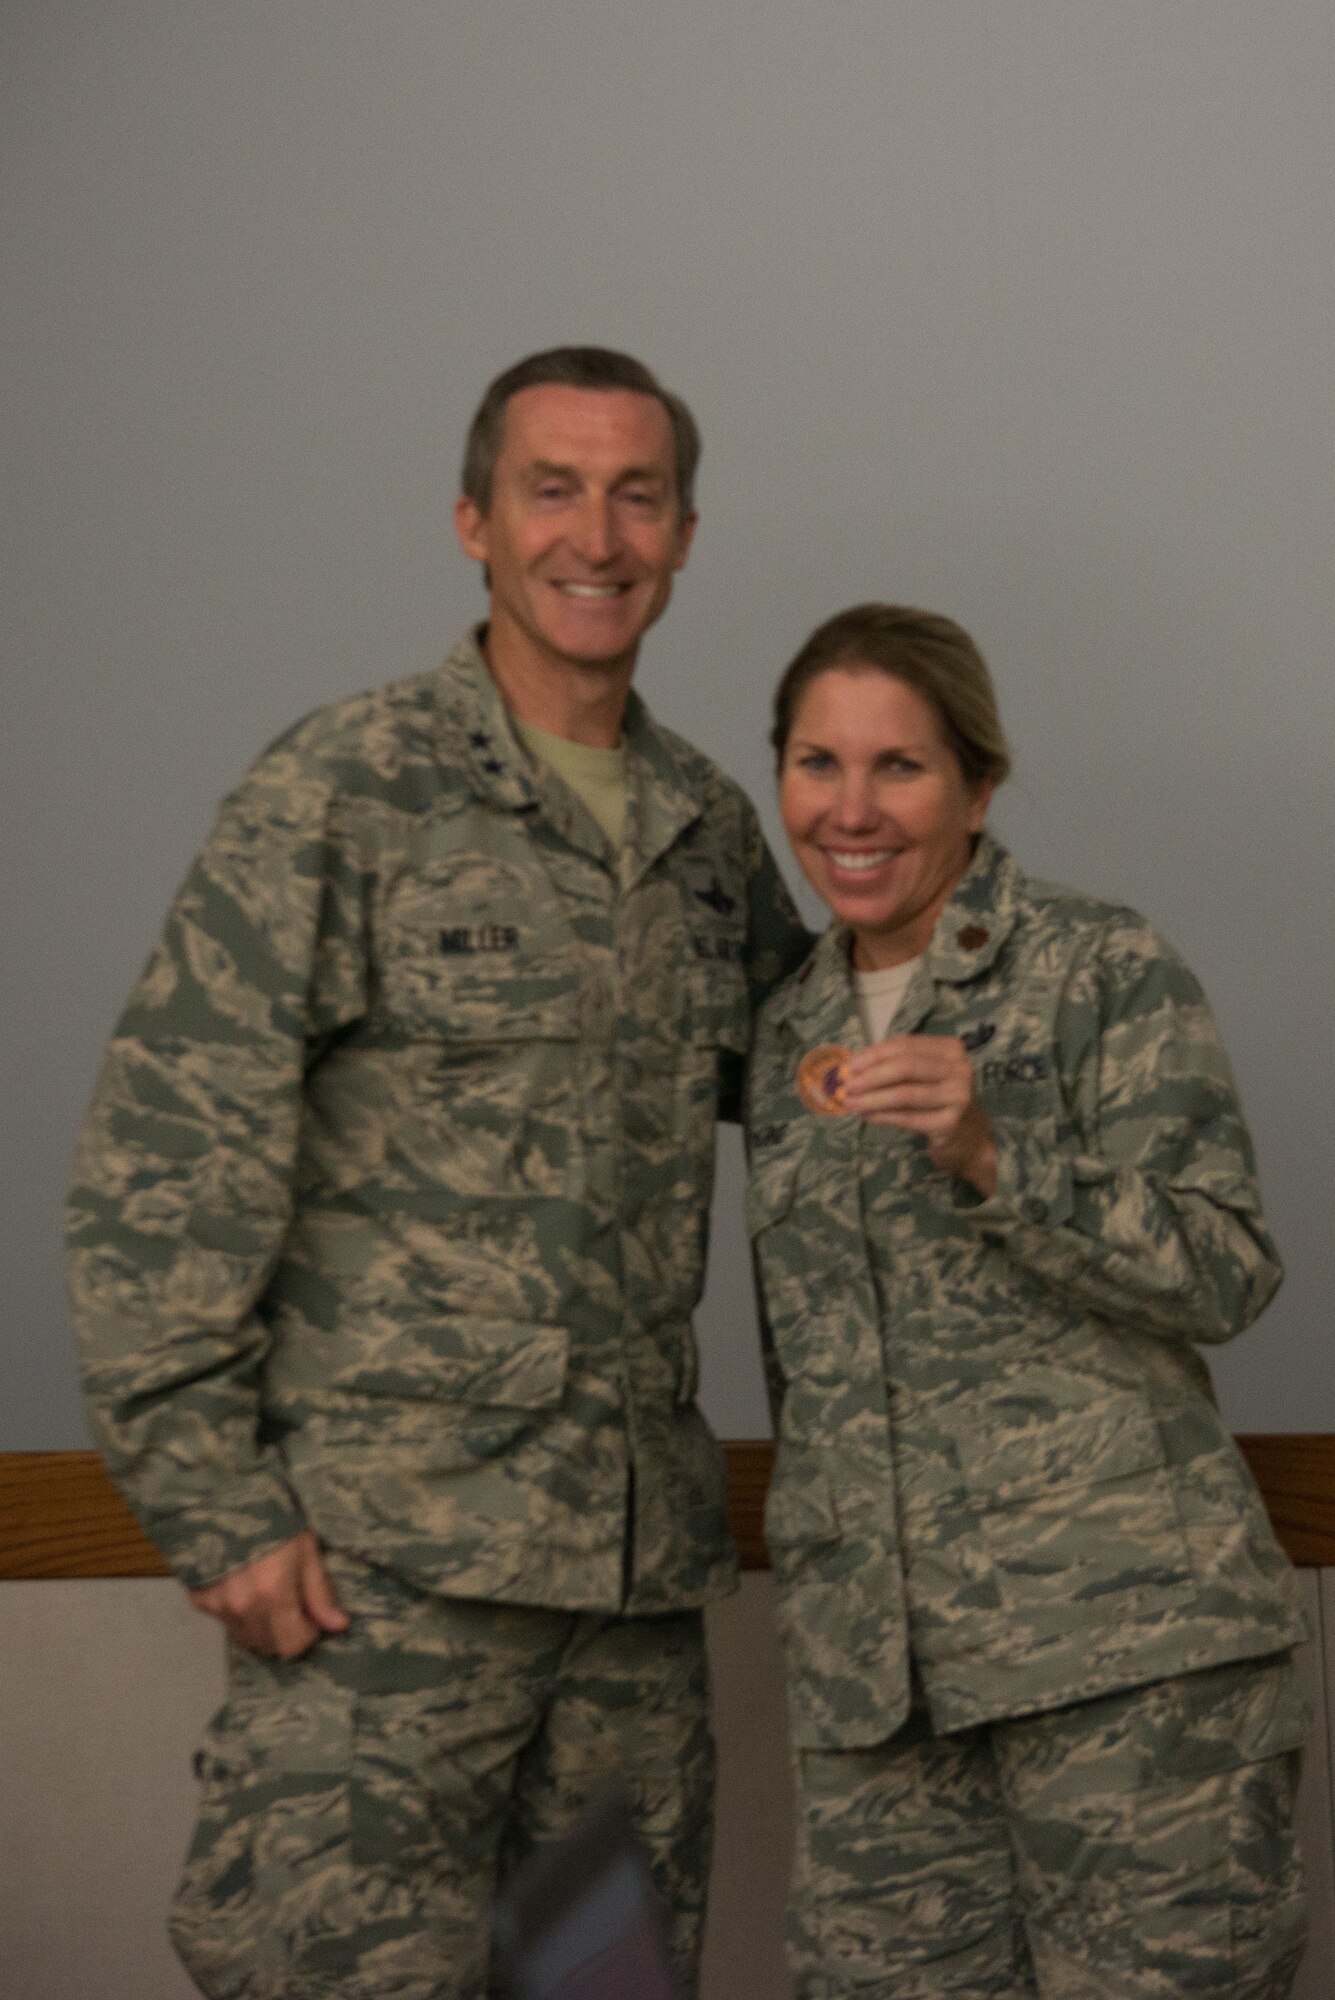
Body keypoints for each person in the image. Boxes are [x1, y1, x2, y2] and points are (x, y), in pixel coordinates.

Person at [66, 345, 809, 2000]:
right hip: (385, 1589)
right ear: (473, 519)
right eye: (554, 489)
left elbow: (823, 1087)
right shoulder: (342, 792)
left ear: (686, 534)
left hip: (629, 1604)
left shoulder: (705, 828)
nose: (597, 536)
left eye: (639, 496)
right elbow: (160, 1159)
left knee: (604, 1990)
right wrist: (217, 1515)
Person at [745, 602, 1309, 1999]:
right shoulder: (781, 1034)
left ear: (980, 785)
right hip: (882, 1696)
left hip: (1124, 1658)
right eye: (818, 765)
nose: (852, 810)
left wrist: (1003, 1156)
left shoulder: (1097, 967)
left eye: (901, 767)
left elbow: (1229, 1267)